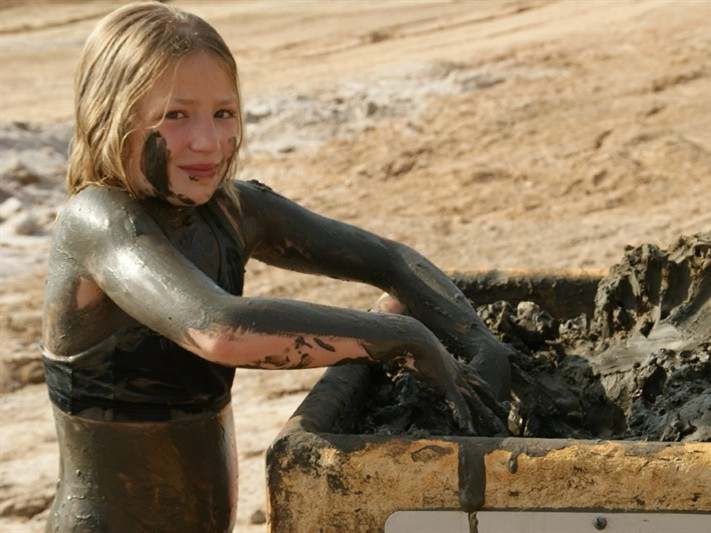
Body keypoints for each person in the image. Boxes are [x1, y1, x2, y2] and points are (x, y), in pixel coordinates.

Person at [40, 2, 512, 531]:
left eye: (224, 113)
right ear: (111, 115)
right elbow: (217, 328)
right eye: (176, 115)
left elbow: (387, 259)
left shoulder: (231, 209)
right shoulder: (99, 221)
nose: (208, 141)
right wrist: (404, 337)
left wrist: (480, 344)